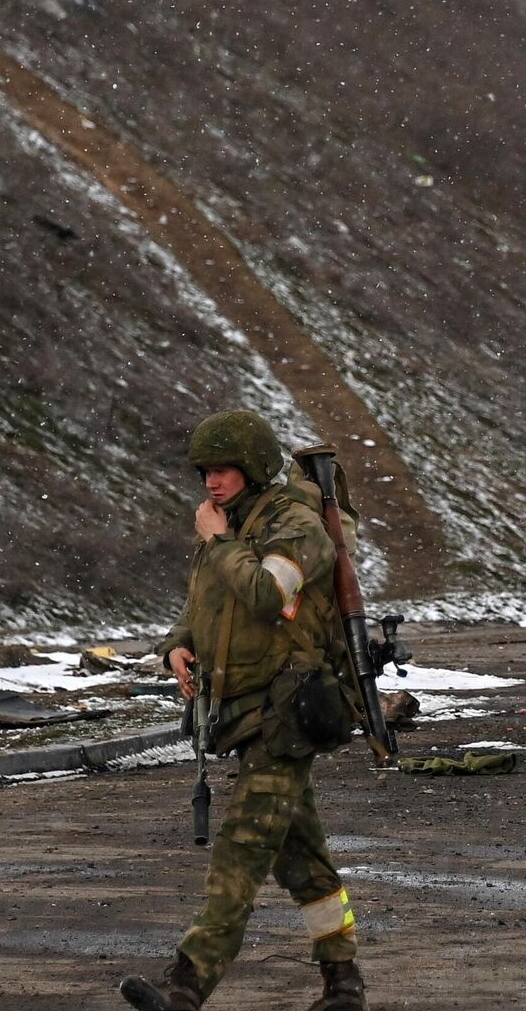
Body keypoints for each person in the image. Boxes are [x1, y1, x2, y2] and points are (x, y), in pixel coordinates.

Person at [119, 410, 367, 1011]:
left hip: (287, 715)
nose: (211, 481)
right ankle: (344, 984)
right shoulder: (226, 527)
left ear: (253, 468)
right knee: (304, 862)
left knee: (241, 849)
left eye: (223, 469)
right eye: (205, 470)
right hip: (243, 713)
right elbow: (204, 608)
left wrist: (219, 541)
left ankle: (185, 988)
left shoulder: (296, 525)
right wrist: (175, 646)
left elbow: (264, 594)